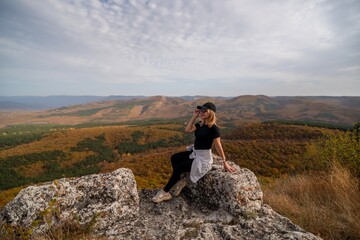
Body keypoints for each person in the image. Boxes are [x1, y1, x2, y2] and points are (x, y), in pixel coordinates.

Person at [152, 102, 236, 203]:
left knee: (179, 167)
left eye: (204, 110)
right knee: (174, 157)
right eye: (201, 110)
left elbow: (218, 145)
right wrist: (194, 116)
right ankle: (180, 181)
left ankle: (165, 192)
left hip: (203, 158)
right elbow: (187, 129)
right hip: (195, 153)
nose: (202, 112)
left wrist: (224, 162)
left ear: (211, 113)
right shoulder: (200, 124)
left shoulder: (213, 128)